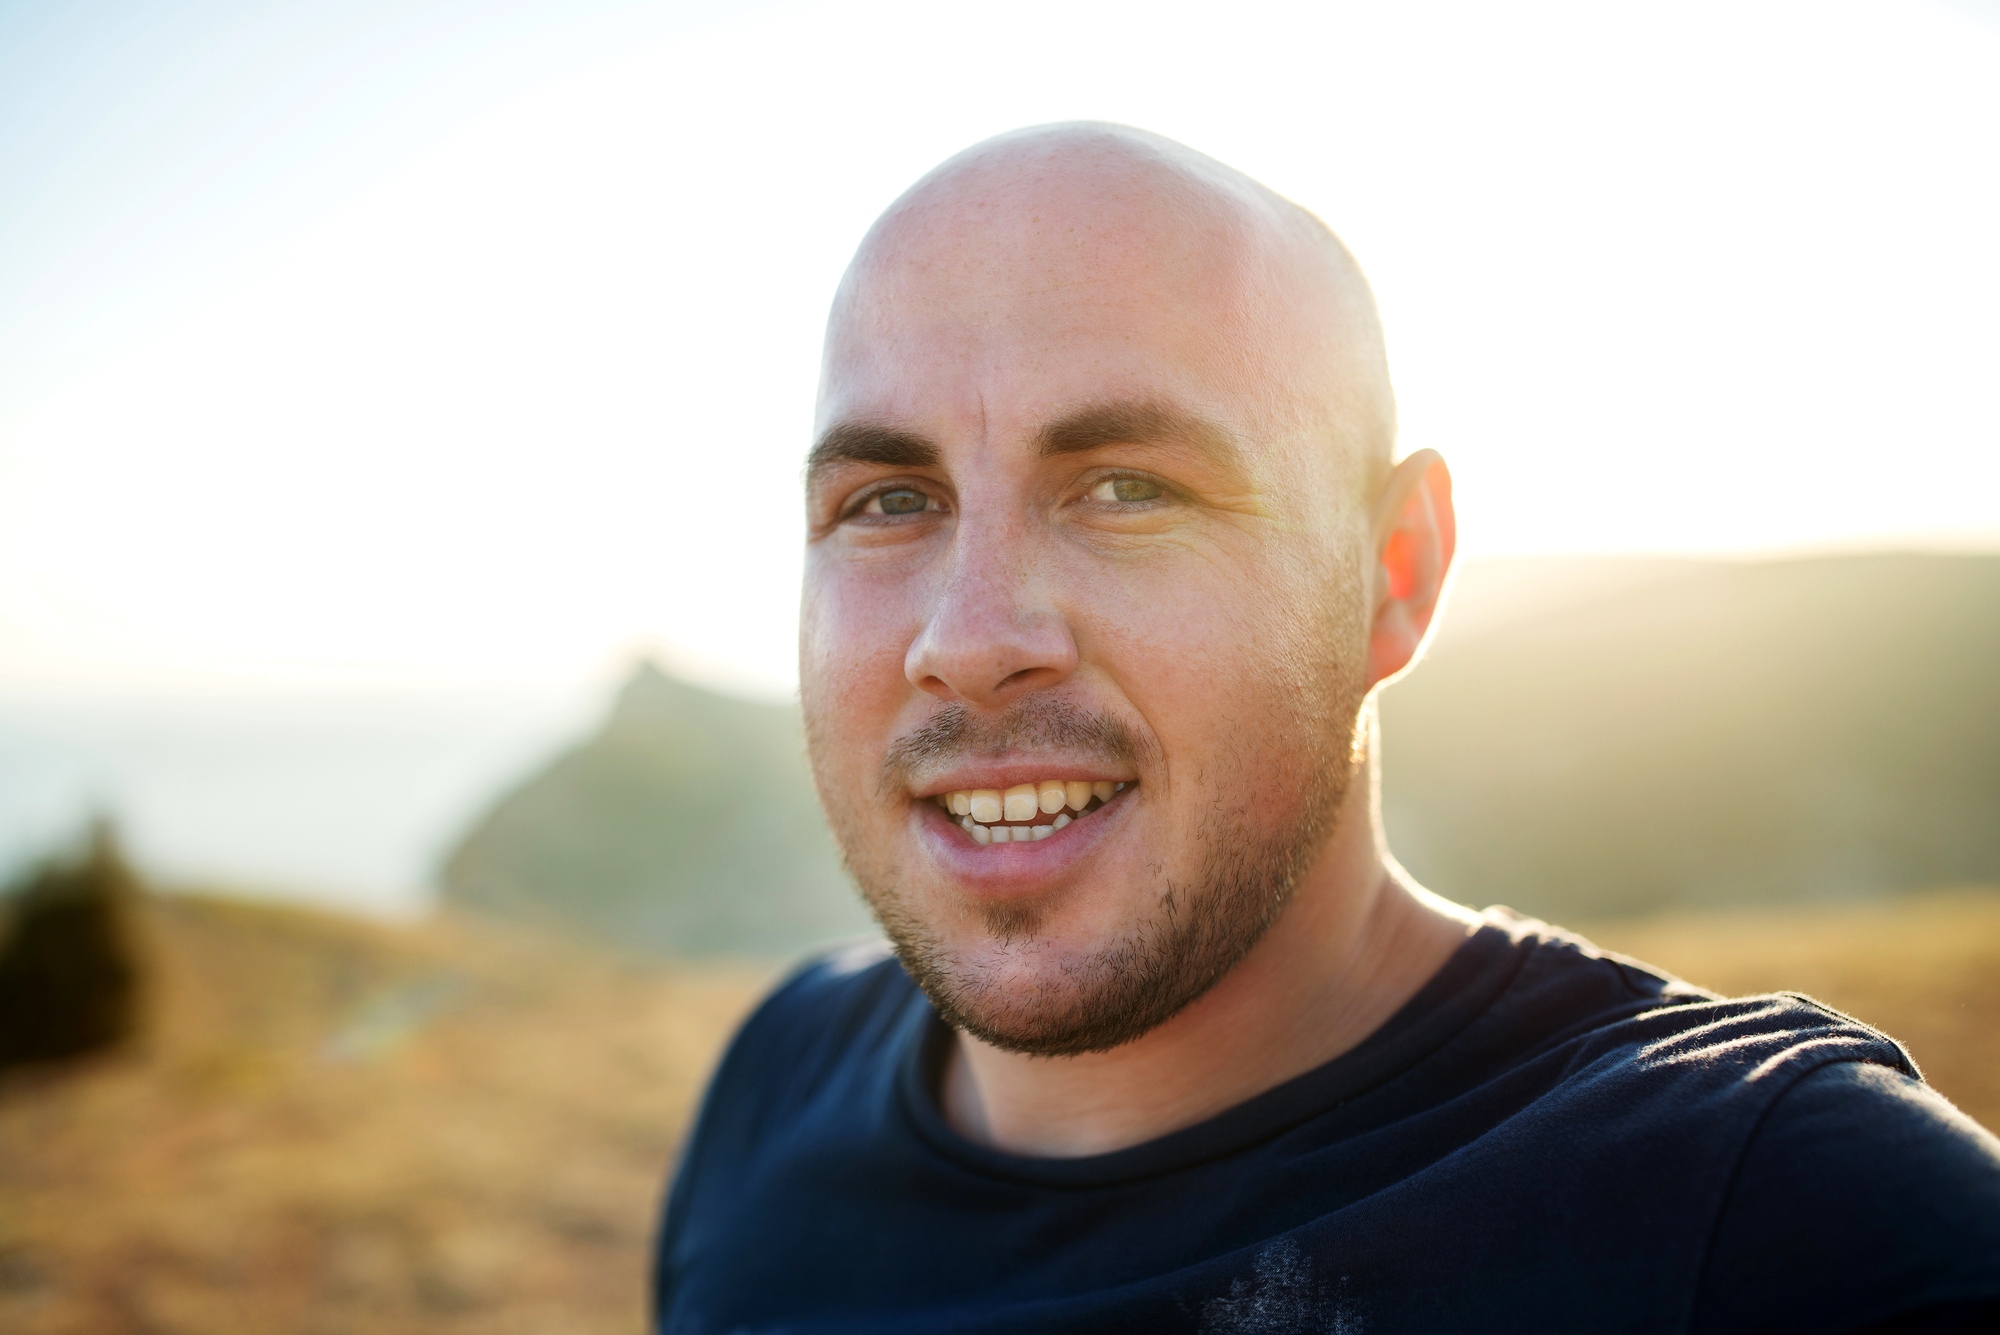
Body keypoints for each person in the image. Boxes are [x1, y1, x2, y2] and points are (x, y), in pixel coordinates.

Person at [652, 123, 2000, 1333]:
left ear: (1392, 574)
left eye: (1127, 487)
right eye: (890, 501)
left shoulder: (1796, 1231)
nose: (972, 639)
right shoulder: (778, 1084)